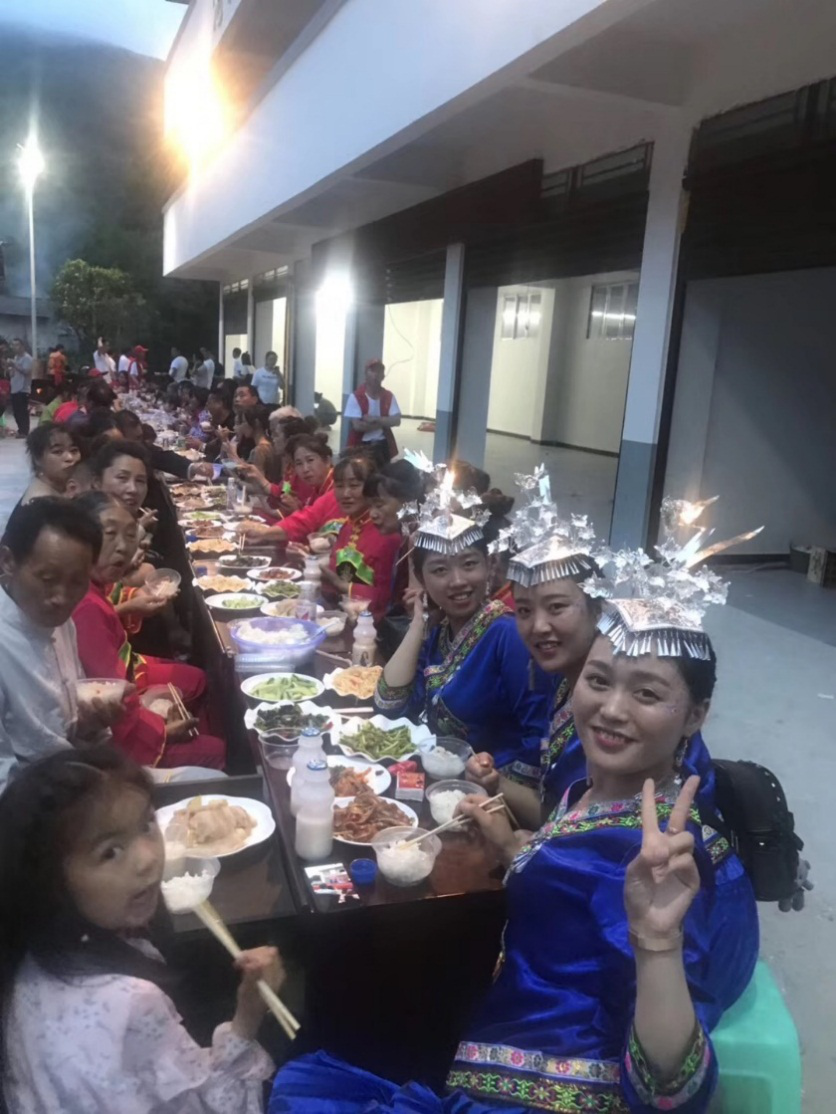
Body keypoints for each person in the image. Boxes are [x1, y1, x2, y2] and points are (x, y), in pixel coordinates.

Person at [270, 590, 759, 1113]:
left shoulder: (664, 858)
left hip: (551, 1092)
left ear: (695, 715)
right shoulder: (593, 790)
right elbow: (567, 886)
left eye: (645, 694)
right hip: (500, 1025)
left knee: (308, 1080)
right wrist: (509, 843)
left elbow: (671, 1088)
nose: (612, 709)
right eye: (598, 682)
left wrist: (657, 941)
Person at [0, 747, 280, 1112]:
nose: (148, 858)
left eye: (147, 824)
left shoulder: (27, 956)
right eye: (110, 852)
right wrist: (248, 1016)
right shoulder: (132, 1001)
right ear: (50, 881)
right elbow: (212, 1106)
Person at [375, 500, 549, 772]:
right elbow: (389, 704)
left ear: (489, 565)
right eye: (440, 570)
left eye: (469, 564)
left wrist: (491, 778)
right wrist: (419, 623)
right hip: (436, 774)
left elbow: (538, 738)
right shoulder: (440, 631)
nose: (457, 581)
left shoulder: (509, 636)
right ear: (421, 577)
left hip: (486, 786)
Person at [72, 493, 227, 770]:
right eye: (110, 534)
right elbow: (111, 694)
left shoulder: (92, 585)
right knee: (218, 751)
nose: (122, 547)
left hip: (125, 681)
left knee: (199, 678)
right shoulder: (84, 606)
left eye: (130, 535)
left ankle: (193, 735)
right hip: (120, 741)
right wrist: (159, 730)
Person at [0, 499, 117, 793]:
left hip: (74, 778)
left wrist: (89, 725)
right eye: (48, 579)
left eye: (77, 582)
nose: (61, 598)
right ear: (7, 561)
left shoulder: (61, 623)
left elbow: (61, 734)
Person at [318, 455, 404, 621]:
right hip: (340, 615)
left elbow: (386, 598)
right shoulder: (346, 525)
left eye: (354, 485)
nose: (346, 494)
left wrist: (342, 586)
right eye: (339, 486)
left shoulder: (387, 533)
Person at [345, 358, 401, 465]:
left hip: (383, 444)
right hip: (361, 445)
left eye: (379, 371)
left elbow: (397, 420)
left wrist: (375, 419)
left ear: (383, 376)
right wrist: (384, 422)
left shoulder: (388, 396)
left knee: (384, 472)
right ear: (366, 374)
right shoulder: (356, 396)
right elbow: (357, 426)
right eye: (372, 371)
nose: (375, 375)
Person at [21, 423, 81, 505]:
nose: (70, 458)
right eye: (58, 451)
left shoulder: (63, 492)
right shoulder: (41, 503)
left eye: (74, 450)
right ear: (37, 458)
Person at [10, 337, 33, 438]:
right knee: (16, 411)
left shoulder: (27, 358)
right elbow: (13, 373)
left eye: (17, 345)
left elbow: (26, 371)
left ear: (22, 346)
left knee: (22, 411)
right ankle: (20, 430)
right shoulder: (16, 358)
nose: (15, 347)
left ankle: (24, 431)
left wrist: (14, 365)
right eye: (13, 345)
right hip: (14, 388)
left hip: (23, 388)